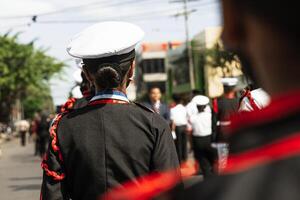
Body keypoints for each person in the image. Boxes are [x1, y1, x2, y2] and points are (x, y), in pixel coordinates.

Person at [40, 21, 180, 200]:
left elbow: (53, 194)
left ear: (87, 74)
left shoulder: (63, 127)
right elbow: (169, 191)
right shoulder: (154, 124)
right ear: (131, 69)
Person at [189, 95, 216, 178]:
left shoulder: (193, 118)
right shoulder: (209, 115)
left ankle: (207, 182)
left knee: (204, 164)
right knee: (214, 161)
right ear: (205, 106)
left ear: (197, 107)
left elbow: (190, 131)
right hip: (209, 139)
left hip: (198, 141)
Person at [170, 94, 188, 163]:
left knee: (178, 144)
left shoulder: (173, 109)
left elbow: (173, 121)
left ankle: (179, 160)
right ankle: (185, 159)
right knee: (184, 143)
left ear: (174, 101)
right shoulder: (184, 108)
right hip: (184, 127)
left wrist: (173, 130)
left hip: (177, 128)